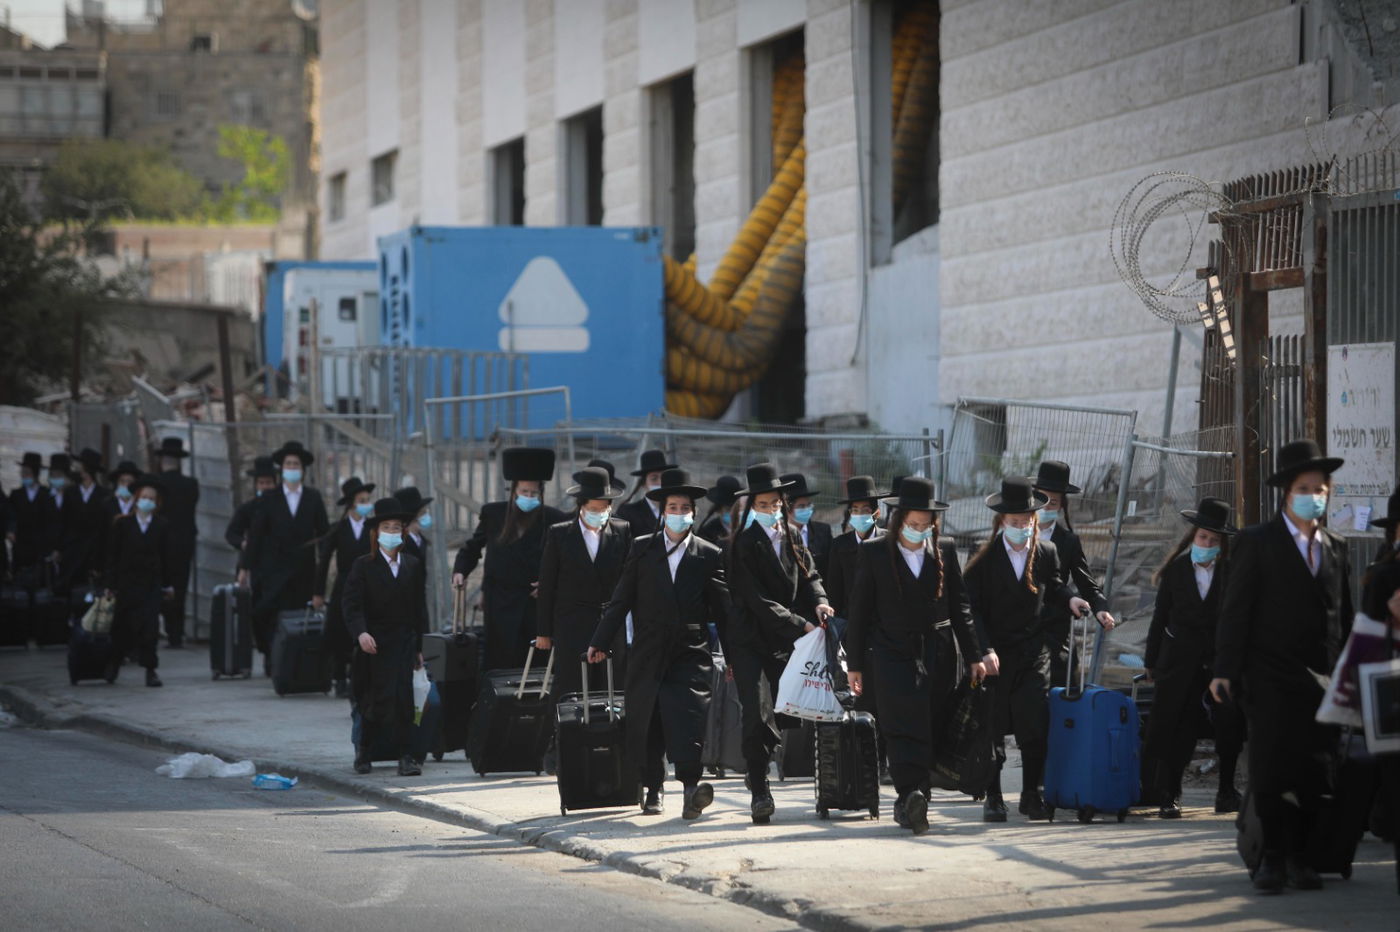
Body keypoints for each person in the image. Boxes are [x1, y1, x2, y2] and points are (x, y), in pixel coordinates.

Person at [1212, 439, 1354, 894]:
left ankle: (1302, 858)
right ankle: (1271, 857)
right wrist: (1225, 670)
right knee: (1272, 770)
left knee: (1317, 772)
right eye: (1304, 487)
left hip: (1323, 678)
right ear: (1286, 493)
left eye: (1320, 487)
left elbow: (1344, 617)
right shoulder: (1259, 542)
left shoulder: (1336, 547)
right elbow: (1236, 611)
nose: (1314, 495)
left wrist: (1349, 673)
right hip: (1269, 675)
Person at [589, 468, 730, 820]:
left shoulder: (709, 554)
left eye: (685, 507)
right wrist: (599, 642)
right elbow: (621, 600)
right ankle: (653, 789)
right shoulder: (642, 548)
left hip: (689, 651)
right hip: (648, 649)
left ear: (693, 513)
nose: (679, 513)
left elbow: (725, 611)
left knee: (687, 720)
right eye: (673, 506)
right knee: (648, 720)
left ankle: (689, 790)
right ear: (663, 511)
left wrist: (730, 655)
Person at [847, 476, 984, 833]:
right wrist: (855, 664)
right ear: (898, 521)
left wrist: (974, 655)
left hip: (938, 651)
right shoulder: (875, 552)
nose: (919, 531)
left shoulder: (946, 549)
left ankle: (915, 797)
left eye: (926, 525)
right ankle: (910, 793)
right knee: (900, 726)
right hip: (891, 652)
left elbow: (961, 607)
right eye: (912, 524)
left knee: (930, 723)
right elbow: (859, 611)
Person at [963, 477, 1087, 823]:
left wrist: (1073, 599)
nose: (1021, 527)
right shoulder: (983, 555)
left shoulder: (1046, 552)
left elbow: (1057, 588)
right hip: (996, 655)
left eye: (1026, 521)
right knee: (994, 727)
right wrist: (983, 650)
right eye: (1014, 521)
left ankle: (1031, 793)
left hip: (1033, 651)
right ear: (1001, 521)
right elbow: (971, 608)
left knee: (1035, 725)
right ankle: (994, 795)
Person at [724, 462, 834, 824]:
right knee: (757, 712)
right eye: (763, 503)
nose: (770, 510)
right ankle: (760, 789)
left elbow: (810, 575)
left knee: (784, 712)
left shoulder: (792, 536)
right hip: (750, 639)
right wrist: (799, 624)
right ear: (750, 505)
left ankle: (758, 762)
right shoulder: (742, 543)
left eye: (775, 503)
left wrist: (819, 600)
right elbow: (757, 601)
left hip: (786, 641)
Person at [1143, 497, 1244, 819]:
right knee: (1178, 728)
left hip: (1219, 663)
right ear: (1193, 537)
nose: (1207, 544)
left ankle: (1226, 791)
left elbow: (1239, 619)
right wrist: (1151, 661)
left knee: (1230, 727)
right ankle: (1169, 794)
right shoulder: (1177, 571)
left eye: (1214, 540)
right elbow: (1160, 618)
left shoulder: (1231, 572)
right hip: (1180, 662)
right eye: (1203, 537)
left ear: (1221, 544)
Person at [451, 447, 567, 672]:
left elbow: (565, 561)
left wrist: (550, 584)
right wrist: (460, 571)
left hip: (536, 606)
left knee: (536, 662)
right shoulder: (494, 515)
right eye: (524, 492)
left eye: (534, 494)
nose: (529, 498)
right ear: (513, 491)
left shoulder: (554, 519)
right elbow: (473, 548)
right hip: (500, 603)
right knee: (500, 660)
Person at [342, 497, 430, 777]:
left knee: (404, 698)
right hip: (373, 643)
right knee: (370, 699)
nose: (391, 532)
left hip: (403, 640)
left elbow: (419, 608)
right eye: (386, 527)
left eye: (396, 527)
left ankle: (406, 755)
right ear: (376, 532)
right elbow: (351, 604)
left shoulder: (413, 565)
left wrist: (419, 646)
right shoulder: (363, 565)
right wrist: (361, 633)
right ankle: (364, 752)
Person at [535, 467, 631, 701]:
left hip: (609, 624)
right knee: (570, 687)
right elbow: (547, 585)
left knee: (610, 688)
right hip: (572, 624)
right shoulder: (559, 534)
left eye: (604, 509)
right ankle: (561, 736)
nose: (598, 514)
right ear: (581, 506)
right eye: (592, 509)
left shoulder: (622, 531)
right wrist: (543, 632)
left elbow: (627, 582)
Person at [826, 475, 890, 780]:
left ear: (876, 512)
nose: (860, 515)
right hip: (854, 633)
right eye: (855, 509)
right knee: (861, 696)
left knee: (887, 694)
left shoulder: (888, 543)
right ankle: (871, 759)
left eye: (866, 509)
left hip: (887, 630)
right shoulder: (839, 547)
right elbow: (834, 595)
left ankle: (888, 757)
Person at [247, 440, 329, 674]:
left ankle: (295, 662)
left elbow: (322, 534)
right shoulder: (269, 497)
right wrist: (246, 567)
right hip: (274, 569)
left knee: (299, 617)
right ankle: (271, 656)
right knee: (270, 614)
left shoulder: (313, 498)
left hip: (303, 570)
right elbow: (256, 535)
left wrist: (322, 566)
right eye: (288, 463)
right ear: (281, 468)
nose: (292, 467)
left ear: (302, 470)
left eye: (296, 464)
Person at [1031, 461, 1115, 688]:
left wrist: (1100, 608)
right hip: (1021, 630)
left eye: (1054, 502)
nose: (1046, 507)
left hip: (1055, 632)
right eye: (1042, 500)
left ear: (1061, 506)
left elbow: (1086, 583)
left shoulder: (1068, 541)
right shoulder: (1016, 536)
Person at [103, 474, 172, 687]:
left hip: (150, 584)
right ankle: (113, 663)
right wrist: (110, 585)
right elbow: (112, 556)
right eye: (144, 497)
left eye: (152, 498)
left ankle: (150, 669)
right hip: (127, 584)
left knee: (150, 628)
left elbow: (167, 557)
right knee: (122, 626)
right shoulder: (123, 524)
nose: (147, 501)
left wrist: (168, 585)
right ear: (136, 498)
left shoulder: (161, 525)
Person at [317, 476, 376, 699]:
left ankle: (357, 676)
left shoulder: (373, 528)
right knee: (338, 631)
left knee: (364, 630)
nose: (366, 504)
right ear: (351, 502)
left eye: (368, 500)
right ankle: (339, 676)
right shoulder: (338, 528)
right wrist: (318, 592)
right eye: (362, 500)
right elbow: (323, 561)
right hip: (343, 585)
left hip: (368, 586)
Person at [151, 437, 199, 648]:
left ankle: (157, 629)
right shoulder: (190, 485)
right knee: (179, 588)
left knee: (158, 586)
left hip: (159, 543)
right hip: (183, 544)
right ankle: (175, 634)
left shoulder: (155, 483)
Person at [223, 456, 278, 588]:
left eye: (269, 483)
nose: (265, 487)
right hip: (253, 564)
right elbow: (231, 533)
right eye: (261, 483)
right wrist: (244, 543)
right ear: (256, 485)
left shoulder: (282, 508)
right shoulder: (248, 508)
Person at [66, 448, 111, 591]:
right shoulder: (71, 492)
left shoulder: (104, 495)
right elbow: (64, 522)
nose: (77, 469)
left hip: (93, 554)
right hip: (73, 552)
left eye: (80, 466)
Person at [39, 452, 78, 593]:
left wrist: (62, 549)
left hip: (68, 549)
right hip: (48, 548)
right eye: (53, 475)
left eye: (59, 475)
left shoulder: (74, 496)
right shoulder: (45, 497)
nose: (56, 479)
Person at [781, 472, 833, 579]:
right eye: (801, 506)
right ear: (787, 509)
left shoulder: (823, 532)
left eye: (808, 505)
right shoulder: (778, 535)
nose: (806, 509)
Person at [8, 452, 50, 581]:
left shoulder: (46, 494)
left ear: (35, 473)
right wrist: (10, 530)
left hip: (40, 547)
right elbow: (10, 515)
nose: (23, 475)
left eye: (26, 472)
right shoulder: (16, 495)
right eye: (23, 472)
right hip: (21, 546)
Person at [615, 449, 678, 536]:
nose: (660, 482)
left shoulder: (679, 511)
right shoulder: (628, 512)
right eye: (654, 478)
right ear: (644, 484)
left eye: (664, 477)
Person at [697, 475, 742, 546]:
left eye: (737, 508)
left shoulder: (748, 529)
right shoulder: (708, 532)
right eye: (729, 509)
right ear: (719, 510)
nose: (733, 513)